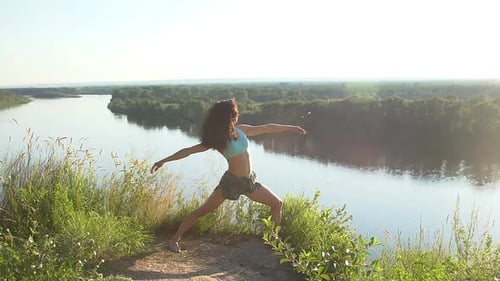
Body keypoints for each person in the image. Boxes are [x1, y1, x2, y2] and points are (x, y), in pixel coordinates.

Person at [150, 99, 306, 252]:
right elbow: (188, 151)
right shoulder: (218, 140)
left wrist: (291, 128)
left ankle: (275, 242)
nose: (237, 116)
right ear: (229, 117)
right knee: (202, 211)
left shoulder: (242, 130)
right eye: (235, 114)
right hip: (231, 183)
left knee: (277, 204)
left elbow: (267, 127)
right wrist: (164, 161)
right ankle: (174, 239)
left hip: (249, 182)